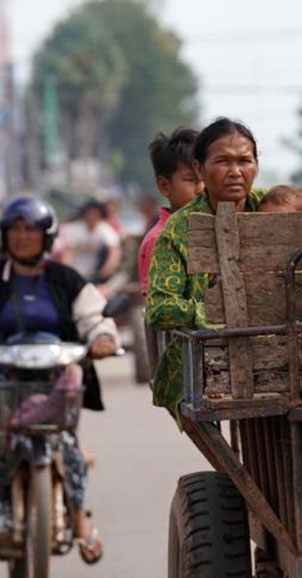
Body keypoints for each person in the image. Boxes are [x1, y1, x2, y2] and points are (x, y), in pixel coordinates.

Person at [0, 196, 120, 563]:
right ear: (5, 236)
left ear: (47, 236)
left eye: (31, 230)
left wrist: (103, 339)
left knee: (68, 445)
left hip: (55, 380)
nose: (23, 237)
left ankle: (80, 522)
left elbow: (94, 317)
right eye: (16, 230)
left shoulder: (66, 279)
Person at [146, 118, 267, 418]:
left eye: (244, 161)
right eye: (223, 161)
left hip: (276, 350)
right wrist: (216, 317)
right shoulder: (178, 229)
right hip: (206, 362)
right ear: (200, 168)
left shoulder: (273, 208)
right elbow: (159, 308)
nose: (235, 172)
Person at [137, 127, 205, 297]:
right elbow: (160, 312)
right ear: (164, 186)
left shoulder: (208, 230)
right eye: (191, 180)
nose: (201, 189)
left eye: (205, 179)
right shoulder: (160, 239)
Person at [60, 199, 122, 283]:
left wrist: (107, 268)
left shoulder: (105, 229)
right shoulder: (75, 228)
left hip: (94, 273)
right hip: (73, 269)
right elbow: (68, 252)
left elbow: (114, 251)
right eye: (90, 213)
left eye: (95, 214)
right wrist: (67, 271)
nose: (92, 216)